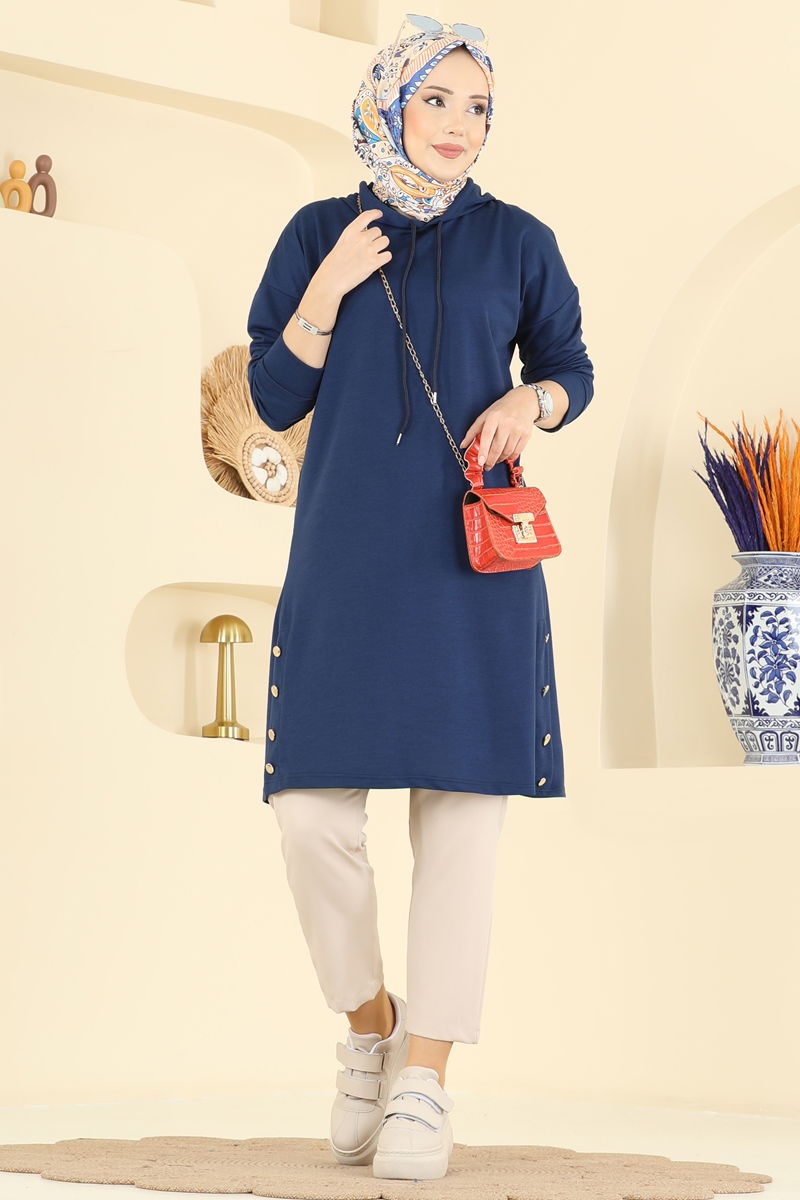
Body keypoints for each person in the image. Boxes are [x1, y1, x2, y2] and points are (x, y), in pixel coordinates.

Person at [246, 13, 594, 1182]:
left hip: (470, 572)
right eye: (435, 100)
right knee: (308, 817)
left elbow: (569, 367)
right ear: (388, 106)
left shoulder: (519, 240)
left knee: (461, 826)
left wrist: (532, 404)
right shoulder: (317, 232)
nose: (458, 125)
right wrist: (328, 287)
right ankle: (369, 1034)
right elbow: (273, 395)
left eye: (476, 106)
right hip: (343, 568)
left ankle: (426, 1082)